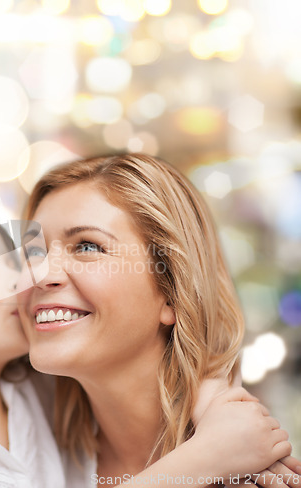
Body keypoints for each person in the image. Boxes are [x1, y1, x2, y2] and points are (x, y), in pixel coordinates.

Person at [0, 194, 296, 488]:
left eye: (16, 260)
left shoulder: (33, 386)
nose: (26, 280)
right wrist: (208, 457)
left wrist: (212, 400)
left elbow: (145, 358)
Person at [16, 152, 301, 487]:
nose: (39, 274)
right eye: (33, 252)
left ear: (172, 292)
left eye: (88, 246)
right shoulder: (20, 443)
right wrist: (204, 458)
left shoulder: (254, 472)